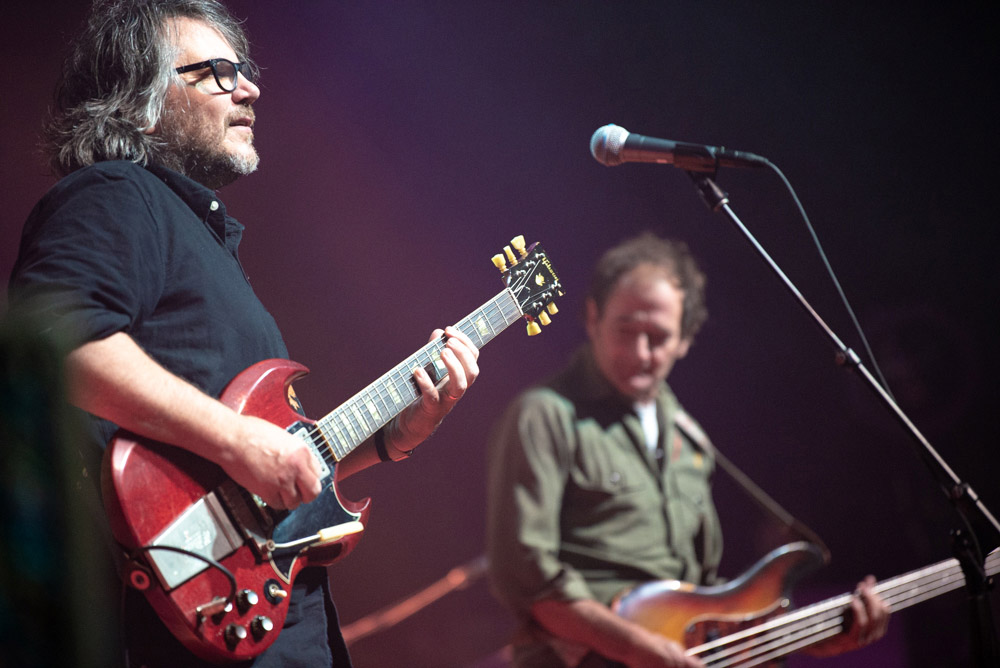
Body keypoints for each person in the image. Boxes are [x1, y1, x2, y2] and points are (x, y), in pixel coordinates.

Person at [6, 1, 480, 666]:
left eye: (246, 70)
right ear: (136, 104)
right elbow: (55, 346)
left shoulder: (198, 240)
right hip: (188, 624)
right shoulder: (113, 194)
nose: (250, 87)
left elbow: (257, 469)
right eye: (218, 72)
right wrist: (234, 439)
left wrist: (392, 439)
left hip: (262, 618)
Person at [485, 233, 889, 668]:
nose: (641, 352)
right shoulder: (543, 416)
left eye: (658, 337)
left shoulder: (689, 438)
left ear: (686, 339)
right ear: (591, 317)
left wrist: (807, 639)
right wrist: (636, 648)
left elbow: (706, 603)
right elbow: (529, 582)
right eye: (626, 330)